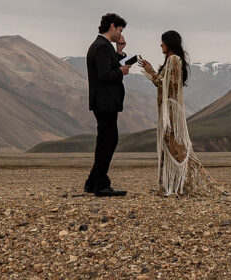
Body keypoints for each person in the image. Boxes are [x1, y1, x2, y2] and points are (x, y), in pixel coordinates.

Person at [139, 30, 216, 197]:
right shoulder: (175, 60)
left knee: (174, 146)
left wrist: (150, 71)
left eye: (163, 42)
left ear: (169, 43)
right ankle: (174, 184)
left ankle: (180, 184)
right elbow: (165, 83)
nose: (160, 45)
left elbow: (162, 84)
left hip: (170, 110)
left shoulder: (173, 60)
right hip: (170, 108)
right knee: (172, 145)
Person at [84, 13, 131, 197]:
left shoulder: (104, 46)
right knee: (107, 141)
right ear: (112, 26)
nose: (120, 34)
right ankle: (101, 185)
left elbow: (109, 67)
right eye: (120, 30)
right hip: (105, 102)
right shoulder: (102, 47)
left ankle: (92, 182)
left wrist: (119, 51)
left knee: (107, 140)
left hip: (104, 102)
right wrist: (122, 71)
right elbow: (105, 75)